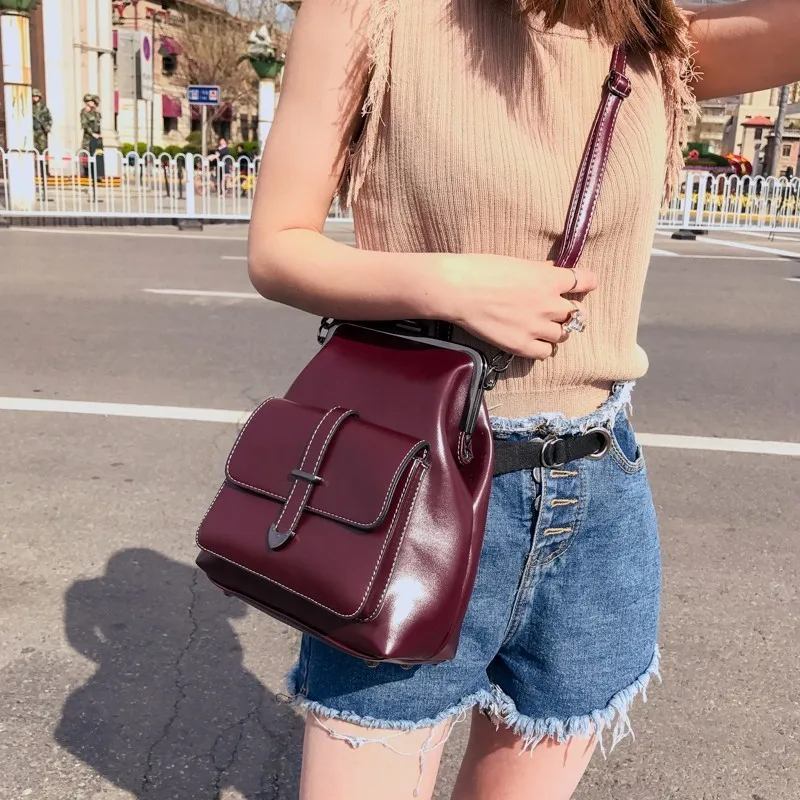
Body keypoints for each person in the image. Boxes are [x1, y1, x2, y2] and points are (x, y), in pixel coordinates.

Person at [247, 1, 800, 798]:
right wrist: (452, 285)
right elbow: (277, 247)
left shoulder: (654, 35)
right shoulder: (371, 11)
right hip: (415, 486)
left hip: (595, 494)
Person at [32, 88, 52, 154]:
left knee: (43, 149)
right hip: (34, 131)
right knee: (35, 150)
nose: (35, 98)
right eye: (34, 96)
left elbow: (49, 119)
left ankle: (44, 161)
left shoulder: (44, 108)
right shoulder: (31, 107)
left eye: (36, 96)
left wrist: (48, 127)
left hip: (42, 131)